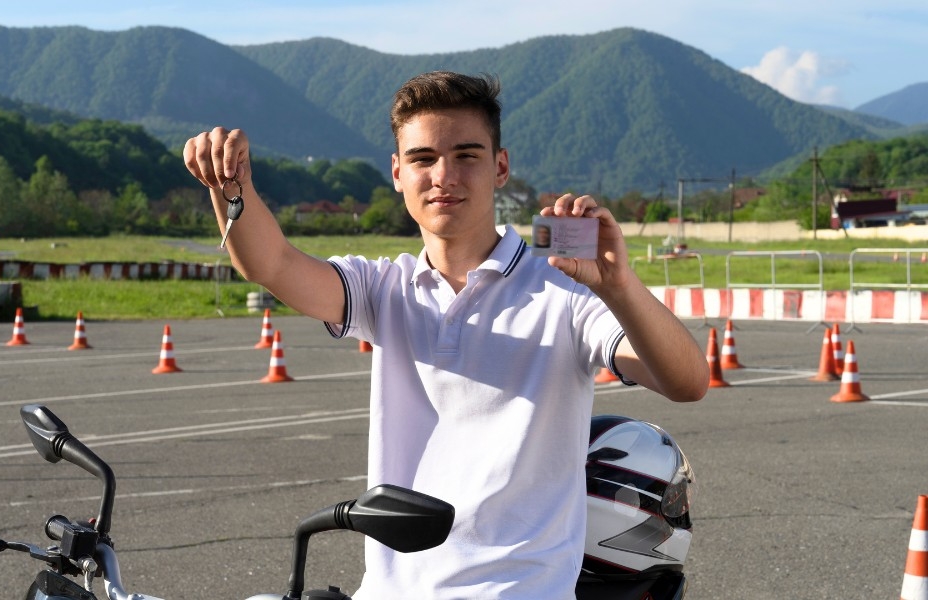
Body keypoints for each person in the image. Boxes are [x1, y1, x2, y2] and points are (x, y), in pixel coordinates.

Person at [184, 70, 708, 600]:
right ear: (396, 172)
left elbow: (686, 381)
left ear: (500, 167)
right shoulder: (383, 288)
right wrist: (232, 189)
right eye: (423, 158)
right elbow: (271, 263)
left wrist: (620, 286)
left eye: (466, 155)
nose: (444, 175)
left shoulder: (563, 289)